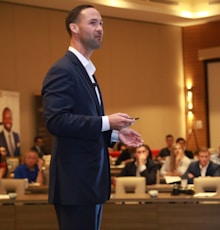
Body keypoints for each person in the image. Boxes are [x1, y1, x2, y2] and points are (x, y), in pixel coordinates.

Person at [41, 5, 143, 230]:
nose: (100, 29)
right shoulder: (63, 70)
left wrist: (116, 134)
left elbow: (84, 124)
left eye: (102, 23)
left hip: (88, 185)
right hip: (75, 186)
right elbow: (56, 121)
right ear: (74, 28)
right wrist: (107, 121)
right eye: (93, 23)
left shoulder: (85, 71)